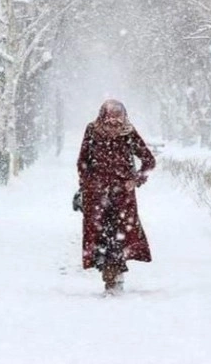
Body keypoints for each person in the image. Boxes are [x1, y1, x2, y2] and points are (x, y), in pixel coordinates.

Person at [77, 99, 156, 295]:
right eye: (109, 122)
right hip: (96, 196)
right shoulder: (92, 131)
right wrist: (88, 183)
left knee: (119, 235)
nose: (113, 126)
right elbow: (83, 161)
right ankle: (109, 275)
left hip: (123, 197)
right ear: (102, 118)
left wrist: (136, 180)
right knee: (101, 236)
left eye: (117, 122)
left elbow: (149, 160)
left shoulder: (128, 133)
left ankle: (115, 276)